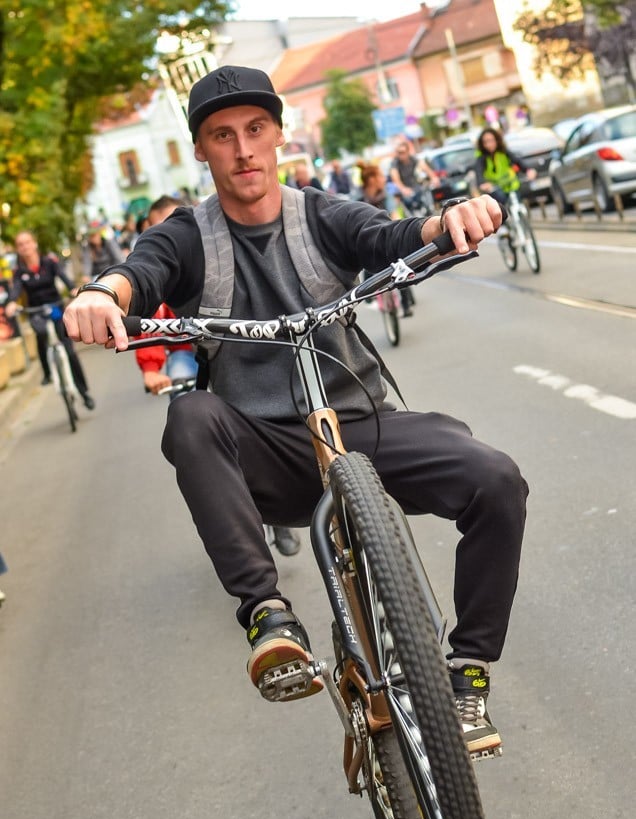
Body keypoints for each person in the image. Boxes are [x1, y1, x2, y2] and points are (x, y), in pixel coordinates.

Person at [64, 64, 528, 755]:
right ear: (200, 149)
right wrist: (104, 293)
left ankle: (467, 673)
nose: (243, 150)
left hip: (362, 425)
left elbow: (392, 237)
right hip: (267, 451)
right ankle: (270, 618)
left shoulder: (322, 214)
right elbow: (140, 270)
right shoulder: (189, 236)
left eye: (256, 130)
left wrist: (450, 218)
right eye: (223, 136)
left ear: (279, 135)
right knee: (190, 416)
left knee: (497, 479)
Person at [136, 194, 302, 559]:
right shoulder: (158, 270)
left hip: (234, 351)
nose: (171, 234)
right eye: (161, 228)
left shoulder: (219, 257)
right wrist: (151, 369)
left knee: (261, 419)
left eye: (178, 224)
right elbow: (147, 326)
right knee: (189, 414)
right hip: (186, 356)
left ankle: (278, 516)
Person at [5, 231, 95, 408]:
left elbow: (64, 278)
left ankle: (84, 393)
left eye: (27, 242)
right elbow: (15, 289)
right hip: (36, 310)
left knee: (69, 352)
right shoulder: (19, 271)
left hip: (55, 306)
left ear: (34, 243)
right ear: (18, 249)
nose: (25, 247)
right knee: (40, 333)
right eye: (20, 244)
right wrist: (12, 302)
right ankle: (47, 372)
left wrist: (73, 290)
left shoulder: (49, 263)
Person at [357, 162, 414, 318]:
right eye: (381, 176)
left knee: (401, 265)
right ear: (372, 180)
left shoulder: (386, 195)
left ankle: (406, 303)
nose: (384, 179)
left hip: (388, 236)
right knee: (367, 260)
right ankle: (367, 294)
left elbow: (394, 214)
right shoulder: (359, 199)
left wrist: (396, 225)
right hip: (371, 240)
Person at [474, 127, 536, 209]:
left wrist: (528, 170)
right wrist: (482, 183)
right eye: (486, 142)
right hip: (496, 188)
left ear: (497, 140)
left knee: (519, 202)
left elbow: (517, 161)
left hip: (511, 184)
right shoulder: (481, 158)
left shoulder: (504, 152)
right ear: (482, 144)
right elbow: (479, 172)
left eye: (491, 140)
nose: (489, 144)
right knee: (501, 206)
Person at [389, 140, 440, 215]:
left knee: (428, 197)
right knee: (408, 210)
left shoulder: (413, 159)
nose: (400, 155)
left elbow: (424, 166)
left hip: (416, 188)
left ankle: (432, 212)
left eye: (402, 152)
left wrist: (434, 177)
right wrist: (403, 189)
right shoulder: (395, 163)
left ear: (407, 151)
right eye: (398, 153)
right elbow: (395, 177)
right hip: (405, 191)